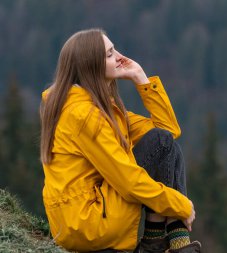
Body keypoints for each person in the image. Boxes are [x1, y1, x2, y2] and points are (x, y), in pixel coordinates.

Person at [39, 28, 201, 253]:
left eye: (114, 50)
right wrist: (180, 205)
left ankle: (156, 240)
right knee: (157, 149)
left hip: (82, 220)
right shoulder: (84, 116)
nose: (119, 57)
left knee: (161, 141)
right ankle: (173, 238)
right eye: (109, 54)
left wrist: (141, 78)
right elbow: (127, 182)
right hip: (89, 223)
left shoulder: (99, 109)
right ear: (91, 65)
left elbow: (168, 132)